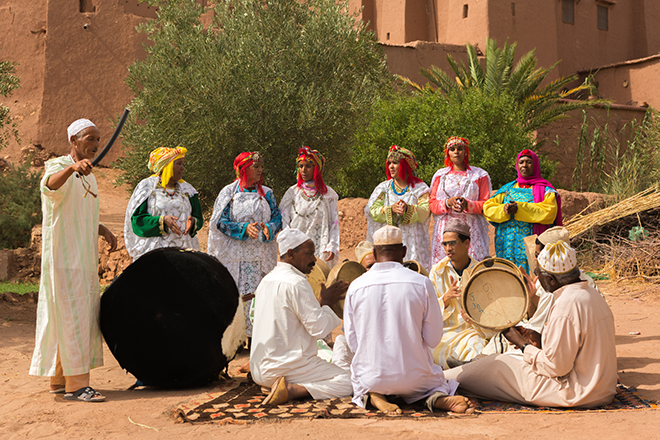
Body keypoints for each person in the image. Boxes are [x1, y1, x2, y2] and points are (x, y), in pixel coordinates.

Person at [444, 241, 617, 408]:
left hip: (576, 392)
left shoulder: (566, 306)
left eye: (538, 272)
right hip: (602, 389)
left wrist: (521, 343)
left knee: (500, 365)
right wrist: (536, 339)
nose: (536, 277)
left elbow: (555, 367)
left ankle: (443, 380)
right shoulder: (591, 295)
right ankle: (466, 370)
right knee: (510, 358)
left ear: (550, 279)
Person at [29, 119, 117, 402]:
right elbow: (50, 187)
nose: (95, 144)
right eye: (89, 138)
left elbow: (79, 213)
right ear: (74, 140)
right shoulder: (57, 166)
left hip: (83, 257)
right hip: (64, 258)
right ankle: (78, 386)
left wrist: (100, 228)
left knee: (69, 316)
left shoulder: (90, 175)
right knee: (73, 316)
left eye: (98, 139)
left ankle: (60, 380)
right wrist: (71, 168)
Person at [343, 225, 474, 415]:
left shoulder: (356, 286)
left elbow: (353, 343)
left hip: (372, 376)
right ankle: (435, 398)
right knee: (429, 384)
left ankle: (375, 394)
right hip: (416, 378)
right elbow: (433, 339)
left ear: (374, 252)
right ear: (404, 251)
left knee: (363, 379)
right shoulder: (421, 283)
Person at [250, 229, 351, 406]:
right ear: (290, 254)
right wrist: (327, 303)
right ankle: (291, 390)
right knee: (350, 381)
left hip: (259, 371)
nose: (314, 260)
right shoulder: (296, 282)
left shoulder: (266, 280)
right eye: (309, 254)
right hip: (285, 369)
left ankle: (276, 385)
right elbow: (319, 329)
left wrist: (320, 304)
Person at [483, 226, 602, 355]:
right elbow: (540, 321)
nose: (535, 259)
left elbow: (555, 363)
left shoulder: (559, 292)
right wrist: (532, 297)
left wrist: (523, 344)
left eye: (537, 255)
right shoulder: (582, 287)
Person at [208, 152, 282, 339]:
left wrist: (269, 228)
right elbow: (220, 222)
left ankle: (256, 339)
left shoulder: (267, 193)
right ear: (243, 169)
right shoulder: (229, 193)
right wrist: (243, 228)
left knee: (259, 295)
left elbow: (277, 217)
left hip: (260, 256)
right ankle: (236, 339)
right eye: (255, 166)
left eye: (261, 166)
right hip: (236, 258)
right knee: (236, 295)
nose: (260, 170)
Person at [428, 219, 494, 369]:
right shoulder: (437, 272)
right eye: (444, 244)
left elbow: (489, 310)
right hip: (444, 332)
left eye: (453, 243)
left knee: (476, 347)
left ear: (466, 243)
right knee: (428, 352)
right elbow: (427, 309)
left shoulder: (479, 272)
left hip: (471, 331)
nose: (448, 248)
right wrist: (446, 298)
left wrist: (473, 318)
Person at [483, 149, 562, 272]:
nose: (524, 165)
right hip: (507, 244)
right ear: (517, 165)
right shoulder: (507, 189)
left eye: (529, 162)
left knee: (532, 278)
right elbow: (488, 208)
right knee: (509, 277)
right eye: (521, 162)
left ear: (535, 165)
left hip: (532, 244)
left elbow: (549, 212)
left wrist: (520, 209)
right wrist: (504, 210)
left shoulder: (545, 190)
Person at [123, 146, 203, 261]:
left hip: (183, 253)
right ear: (167, 165)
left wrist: (194, 222)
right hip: (154, 254)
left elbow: (198, 217)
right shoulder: (147, 187)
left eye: (183, 164)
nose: (183, 168)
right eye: (179, 164)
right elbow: (137, 221)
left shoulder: (188, 190)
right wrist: (162, 221)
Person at [365, 145, 431, 272]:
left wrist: (409, 209)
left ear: (406, 165)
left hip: (412, 243)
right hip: (389, 243)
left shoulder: (420, 188)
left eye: (395, 163)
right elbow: (371, 210)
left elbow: (425, 211)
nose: (391, 166)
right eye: (389, 163)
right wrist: (390, 210)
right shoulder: (383, 188)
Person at [429, 136, 492, 265]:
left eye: (460, 149)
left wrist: (468, 204)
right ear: (448, 153)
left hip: (470, 228)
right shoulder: (440, 175)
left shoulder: (479, 175)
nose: (456, 152)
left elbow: (486, 204)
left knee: (473, 267)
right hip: (445, 229)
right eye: (452, 149)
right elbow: (432, 204)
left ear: (465, 152)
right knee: (445, 267)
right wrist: (447, 203)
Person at [280, 147, 340, 269]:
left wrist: (332, 246)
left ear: (316, 169)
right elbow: (284, 220)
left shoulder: (328, 194)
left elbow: (334, 223)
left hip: (320, 248)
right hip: (296, 249)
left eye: (308, 166)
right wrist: (289, 244)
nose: (303, 170)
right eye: (301, 166)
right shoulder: (292, 192)